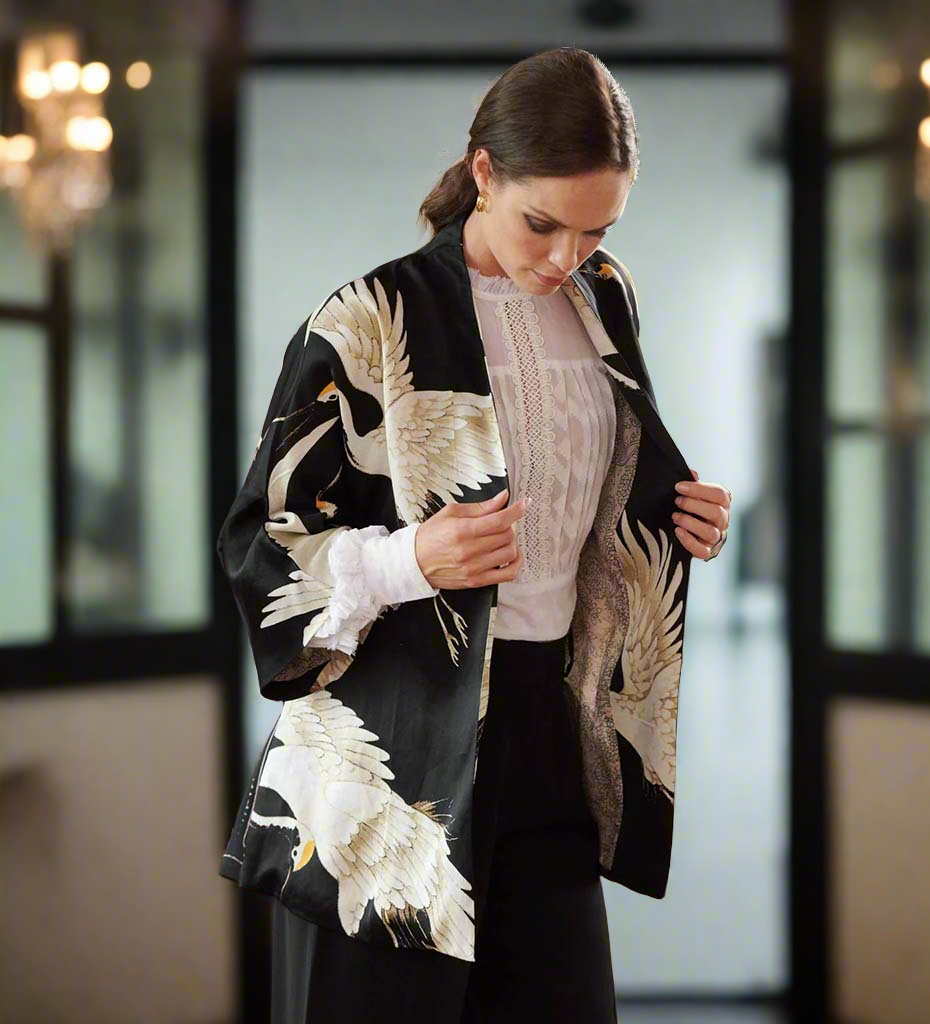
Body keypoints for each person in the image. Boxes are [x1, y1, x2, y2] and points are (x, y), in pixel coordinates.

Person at [217, 46, 732, 1023]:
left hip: (550, 726)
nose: (562, 259)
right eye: (543, 223)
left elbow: (602, 479)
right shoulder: (368, 320)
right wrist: (414, 559)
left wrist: (674, 515)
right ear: (483, 173)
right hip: (394, 752)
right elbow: (261, 543)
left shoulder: (604, 296)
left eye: (595, 230)